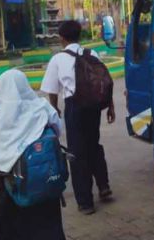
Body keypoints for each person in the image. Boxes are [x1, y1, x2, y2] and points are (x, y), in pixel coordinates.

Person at [0, 69, 73, 240]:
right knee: (48, 227)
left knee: (8, 229)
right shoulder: (42, 109)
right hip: (45, 181)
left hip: (12, 186)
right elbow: (57, 132)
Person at [40, 20, 115, 215]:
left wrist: (55, 108)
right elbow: (104, 82)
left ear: (62, 38)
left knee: (77, 152)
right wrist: (110, 107)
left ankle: (85, 201)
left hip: (74, 107)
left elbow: (51, 89)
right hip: (94, 107)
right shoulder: (92, 54)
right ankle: (104, 186)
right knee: (94, 144)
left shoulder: (58, 59)